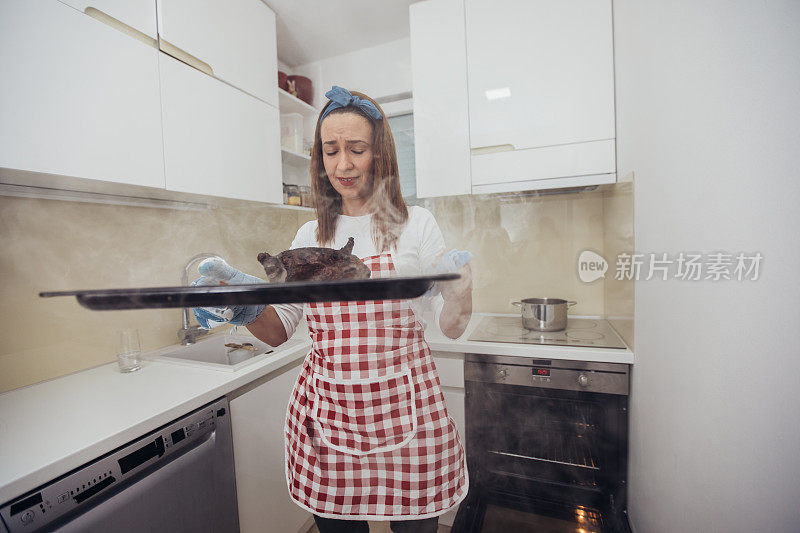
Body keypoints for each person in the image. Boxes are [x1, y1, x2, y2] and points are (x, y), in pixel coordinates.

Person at [193, 86, 472, 533]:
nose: (343, 164)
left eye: (357, 149)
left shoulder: (415, 225)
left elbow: (450, 326)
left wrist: (460, 295)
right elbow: (281, 327)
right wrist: (242, 305)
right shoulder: (309, 235)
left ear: (379, 153)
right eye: (331, 150)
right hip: (330, 415)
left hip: (407, 409)